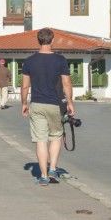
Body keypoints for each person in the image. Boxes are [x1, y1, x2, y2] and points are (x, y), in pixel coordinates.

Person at [21, 28, 74, 186]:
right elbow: (66, 83)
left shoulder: (29, 61)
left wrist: (24, 103)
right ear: (52, 40)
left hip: (37, 104)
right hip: (55, 104)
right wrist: (70, 102)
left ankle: (43, 176)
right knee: (56, 136)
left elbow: (25, 86)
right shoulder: (60, 60)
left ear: (38, 40)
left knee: (41, 140)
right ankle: (52, 169)